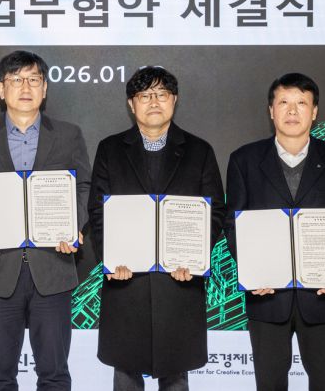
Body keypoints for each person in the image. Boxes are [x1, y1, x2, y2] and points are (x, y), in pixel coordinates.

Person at [0, 50, 91, 391]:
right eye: (16, 80)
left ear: (45, 88)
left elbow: (84, 186)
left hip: (53, 269)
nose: (25, 87)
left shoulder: (69, 135)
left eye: (33, 79)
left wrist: (74, 225)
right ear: (2, 89)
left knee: (54, 375)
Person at [224, 72, 325, 391]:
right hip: (266, 296)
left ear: (314, 112)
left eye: (301, 103)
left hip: (322, 295)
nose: (292, 110)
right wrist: (252, 269)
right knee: (269, 384)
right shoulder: (244, 160)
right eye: (283, 102)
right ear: (271, 110)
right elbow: (233, 222)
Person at [87, 66, 226, 390]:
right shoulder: (110, 149)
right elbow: (98, 210)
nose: (153, 102)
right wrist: (112, 259)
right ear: (131, 104)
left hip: (179, 282)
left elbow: (216, 210)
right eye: (145, 95)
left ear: (174, 100)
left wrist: (194, 258)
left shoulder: (199, 150)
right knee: (126, 374)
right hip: (127, 282)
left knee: (176, 374)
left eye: (161, 94)